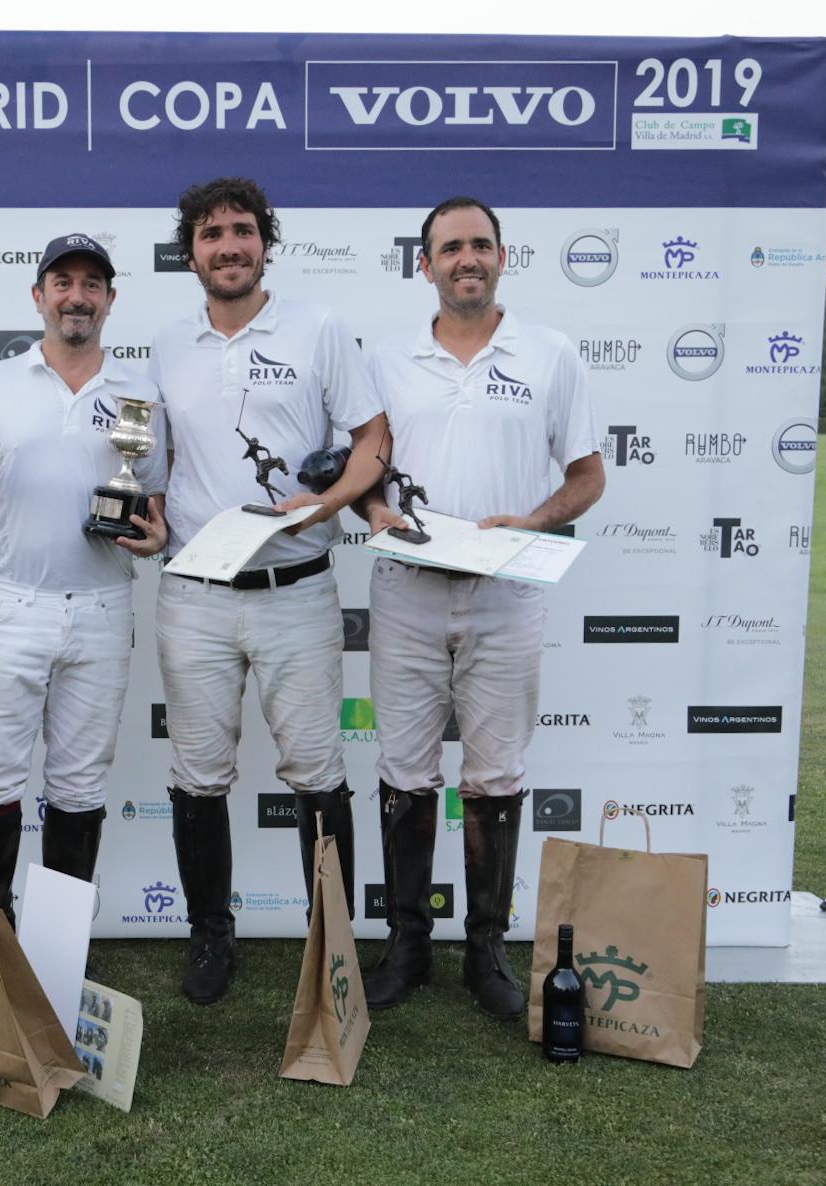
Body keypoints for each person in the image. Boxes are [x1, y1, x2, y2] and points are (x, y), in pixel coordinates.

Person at [357, 196, 604, 1018]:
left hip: (506, 595)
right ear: (423, 265)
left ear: (502, 257)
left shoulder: (550, 353)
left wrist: (529, 523)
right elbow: (362, 471)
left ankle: (486, 950)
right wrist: (369, 513)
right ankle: (405, 944)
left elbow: (586, 476)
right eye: (449, 247)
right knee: (404, 770)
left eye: (479, 245)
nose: (466, 257)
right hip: (406, 596)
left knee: (495, 776)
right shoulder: (386, 357)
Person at [150, 177, 388, 1005]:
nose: (228, 245)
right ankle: (210, 934)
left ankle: (332, 945)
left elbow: (372, 443)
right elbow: (151, 465)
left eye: (242, 230)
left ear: (265, 243)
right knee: (196, 773)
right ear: (192, 252)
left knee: (317, 770)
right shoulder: (164, 344)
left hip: (296, 589)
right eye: (211, 233)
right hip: (195, 593)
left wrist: (322, 506)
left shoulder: (319, 328)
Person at [0, 233, 167, 923]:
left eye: (91, 284)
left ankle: (58, 949)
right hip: (11, 606)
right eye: (62, 283)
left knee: (79, 782)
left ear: (110, 301)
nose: (76, 296)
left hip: (101, 606)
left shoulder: (137, 394)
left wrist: (153, 539)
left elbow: (152, 509)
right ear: (38, 297)